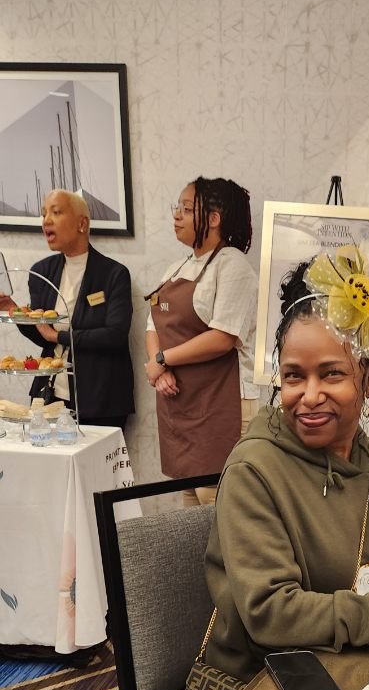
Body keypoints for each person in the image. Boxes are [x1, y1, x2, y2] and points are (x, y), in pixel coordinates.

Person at [204, 246, 369, 682]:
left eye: (331, 374)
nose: (309, 396)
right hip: (266, 682)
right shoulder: (253, 471)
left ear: (368, 378)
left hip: (360, 666)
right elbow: (272, 614)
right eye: (294, 376)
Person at [145, 176, 258, 506]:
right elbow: (153, 323)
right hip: (183, 402)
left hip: (221, 405)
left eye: (186, 208)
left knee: (220, 505)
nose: (176, 215)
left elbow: (222, 338)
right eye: (176, 207)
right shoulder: (175, 268)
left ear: (214, 218)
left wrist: (164, 360)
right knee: (189, 502)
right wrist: (158, 367)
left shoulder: (232, 265)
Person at [0, 189, 134, 430]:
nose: (46, 221)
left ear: (82, 223)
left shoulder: (114, 274)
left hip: (101, 398)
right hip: (49, 395)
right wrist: (15, 310)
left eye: (56, 212)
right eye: (43, 214)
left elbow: (115, 335)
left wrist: (58, 335)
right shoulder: (41, 272)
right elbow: (40, 333)